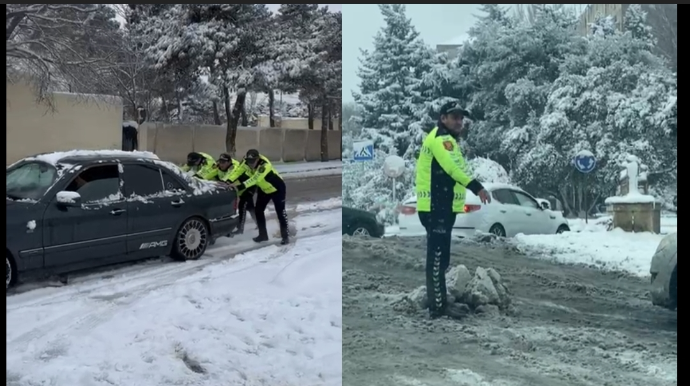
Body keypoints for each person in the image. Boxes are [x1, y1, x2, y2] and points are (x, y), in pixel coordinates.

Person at [415, 100, 492, 320]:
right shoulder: (441, 139)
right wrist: (477, 188)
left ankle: (439, 302)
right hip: (435, 207)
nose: (459, 121)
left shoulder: (449, 140)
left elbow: (456, 169)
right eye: (454, 117)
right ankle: (437, 307)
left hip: (443, 207)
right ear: (443, 119)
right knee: (437, 259)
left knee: (442, 258)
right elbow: (452, 168)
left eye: (461, 117)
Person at [229, 149, 290, 245]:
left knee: (280, 212)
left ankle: (285, 236)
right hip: (264, 189)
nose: (251, 164)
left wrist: (239, 186)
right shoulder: (245, 162)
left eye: (253, 161)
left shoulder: (265, 165)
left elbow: (254, 179)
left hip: (277, 189)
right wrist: (228, 181)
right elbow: (238, 171)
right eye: (249, 162)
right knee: (258, 210)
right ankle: (263, 235)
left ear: (257, 159)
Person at [216, 152, 257, 234]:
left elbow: (229, 178)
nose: (221, 164)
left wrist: (224, 183)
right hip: (240, 188)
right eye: (220, 162)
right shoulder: (220, 168)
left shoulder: (234, 168)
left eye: (223, 162)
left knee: (242, 206)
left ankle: (240, 229)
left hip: (248, 187)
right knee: (250, 207)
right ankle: (259, 223)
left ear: (229, 162)